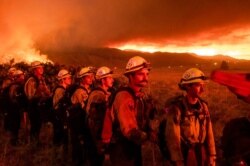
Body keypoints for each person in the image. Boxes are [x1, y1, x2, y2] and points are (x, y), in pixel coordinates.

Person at [107, 56, 156, 166]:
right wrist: (147, 136)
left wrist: (149, 130)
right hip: (122, 148)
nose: (145, 78)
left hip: (132, 145)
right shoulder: (125, 97)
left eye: (147, 74)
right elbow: (129, 130)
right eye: (140, 74)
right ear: (130, 76)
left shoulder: (138, 96)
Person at [165, 68, 216, 166]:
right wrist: (178, 160)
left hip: (201, 153)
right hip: (185, 155)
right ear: (188, 86)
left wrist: (212, 155)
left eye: (203, 85)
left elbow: (209, 133)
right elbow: (173, 138)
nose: (202, 89)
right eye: (198, 85)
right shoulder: (177, 108)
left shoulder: (203, 107)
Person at [86, 66, 114, 166]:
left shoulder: (99, 93)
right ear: (103, 80)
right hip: (98, 138)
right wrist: (101, 143)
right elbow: (96, 122)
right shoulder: (99, 96)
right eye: (110, 77)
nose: (112, 80)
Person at [70, 66, 95, 166]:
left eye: (91, 76)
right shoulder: (80, 92)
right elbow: (85, 109)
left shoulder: (87, 90)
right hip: (78, 124)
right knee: (79, 147)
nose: (91, 79)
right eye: (88, 77)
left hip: (83, 122)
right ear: (83, 79)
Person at [24, 61, 51, 145]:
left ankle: (36, 141)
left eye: (42, 67)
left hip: (39, 105)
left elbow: (47, 91)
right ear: (35, 70)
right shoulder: (31, 81)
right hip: (33, 106)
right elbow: (30, 96)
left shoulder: (41, 79)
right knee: (34, 124)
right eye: (40, 68)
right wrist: (41, 95)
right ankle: (33, 143)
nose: (42, 69)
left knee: (38, 124)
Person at [52, 69, 72, 150]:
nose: (70, 79)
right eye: (68, 78)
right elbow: (60, 106)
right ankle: (58, 155)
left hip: (59, 116)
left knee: (61, 135)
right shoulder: (60, 91)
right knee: (60, 136)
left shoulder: (62, 90)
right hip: (59, 117)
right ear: (63, 79)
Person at [6, 69, 26, 146]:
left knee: (16, 125)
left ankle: (15, 140)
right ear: (17, 77)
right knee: (15, 125)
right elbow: (13, 98)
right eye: (21, 76)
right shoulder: (15, 86)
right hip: (14, 109)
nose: (23, 77)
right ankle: (14, 142)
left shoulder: (17, 85)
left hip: (15, 109)